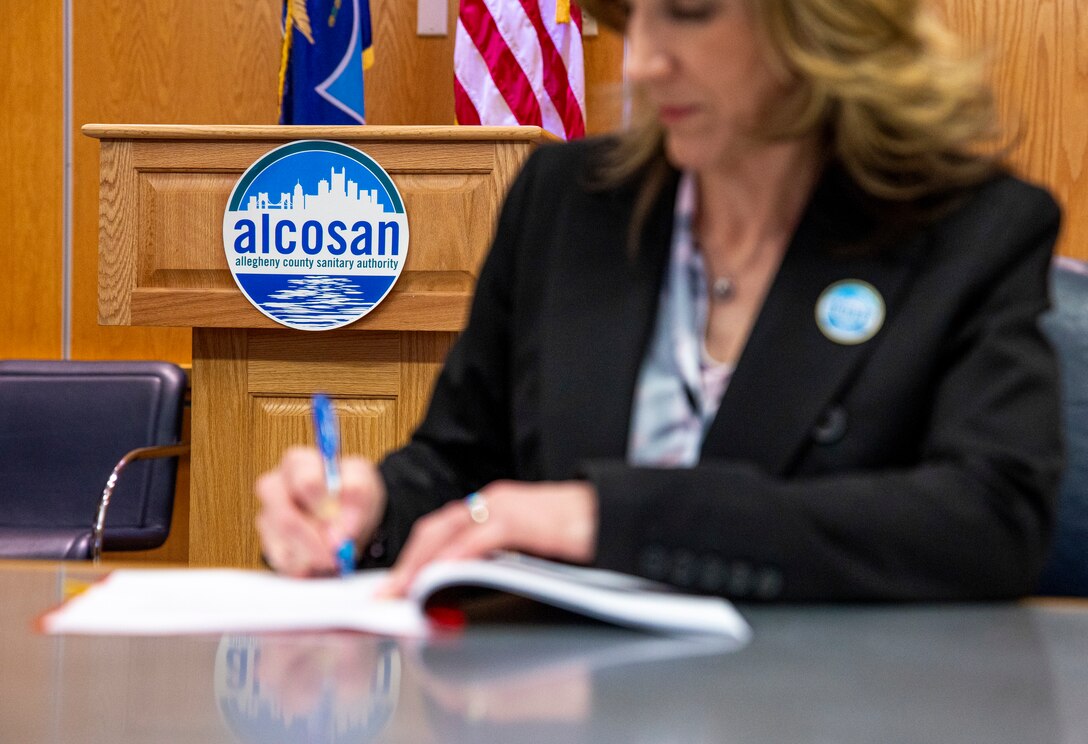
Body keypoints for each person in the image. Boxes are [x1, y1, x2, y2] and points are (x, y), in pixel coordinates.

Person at [256, 0, 1063, 601]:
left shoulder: (969, 230)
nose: (641, 61)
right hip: (561, 704)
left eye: (687, 11)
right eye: (633, 15)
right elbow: (465, 464)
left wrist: (614, 518)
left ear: (820, 24)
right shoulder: (566, 201)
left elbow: (987, 523)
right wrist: (371, 509)